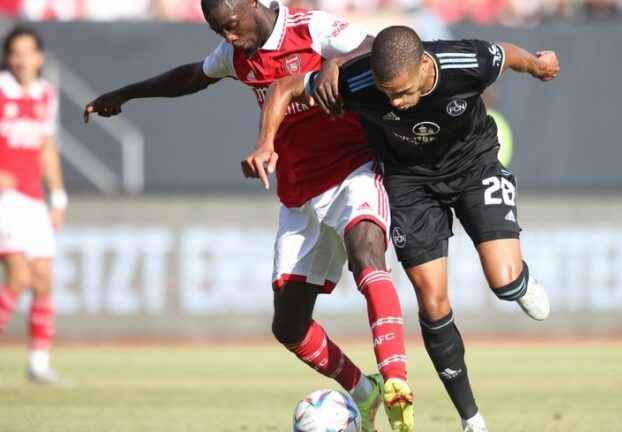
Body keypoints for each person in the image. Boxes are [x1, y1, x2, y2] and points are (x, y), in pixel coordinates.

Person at [84, 2, 413, 430]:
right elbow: (190, 77)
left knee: (366, 251)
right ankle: (364, 392)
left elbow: (378, 47)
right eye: (218, 30)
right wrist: (125, 94)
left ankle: (396, 384)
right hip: (300, 195)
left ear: (252, 4)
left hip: (353, 169)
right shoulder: (236, 56)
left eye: (231, 25)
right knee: (290, 327)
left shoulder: (308, 26)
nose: (228, 38)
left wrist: (339, 64)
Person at [245, 25, 560, 432]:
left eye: (403, 92)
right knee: (431, 302)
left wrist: (537, 64)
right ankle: (472, 419)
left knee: (503, 280)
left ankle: (518, 282)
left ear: (423, 67)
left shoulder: (463, 61)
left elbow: (507, 54)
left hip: (473, 167)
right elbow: (283, 87)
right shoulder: (359, 82)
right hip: (408, 182)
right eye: (387, 93)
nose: (395, 101)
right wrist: (266, 142)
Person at [0, 26, 68, 384]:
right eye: (15, 52)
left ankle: (39, 364)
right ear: (8, 57)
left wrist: (57, 197)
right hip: (4, 199)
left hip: (32, 198)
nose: (22, 59)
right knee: (18, 276)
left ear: (39, 57)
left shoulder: (45, 95)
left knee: (42, 279)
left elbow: (47, 149)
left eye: (28, 52)